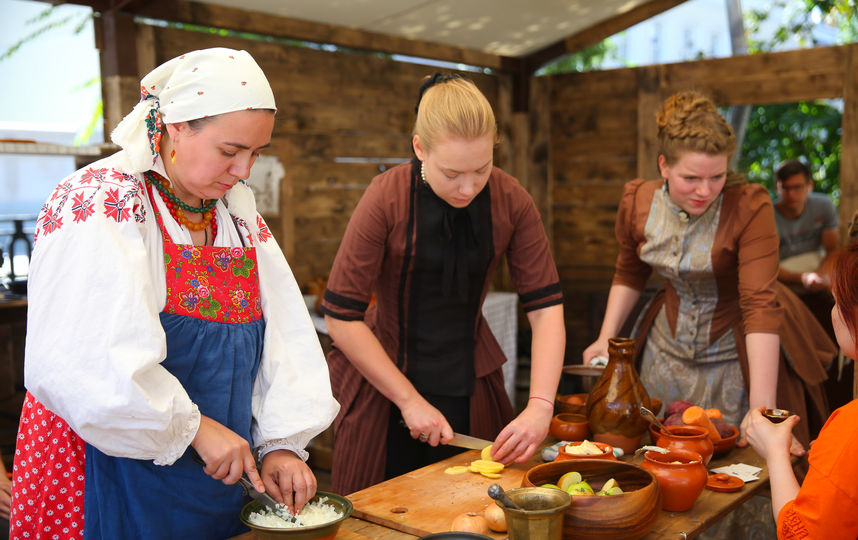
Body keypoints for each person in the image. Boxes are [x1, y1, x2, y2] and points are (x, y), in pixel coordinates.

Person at [9, 48, 339, 539]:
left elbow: (285, 338)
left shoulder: (234, 213)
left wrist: (279, 443)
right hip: (106, 467)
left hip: (207, 474)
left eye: (256, 153)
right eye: (230, 151)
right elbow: (81, 361)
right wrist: (192, 429)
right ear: (175, 128)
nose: (244, 170)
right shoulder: (100, 200)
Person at [321, 73, 565, 494]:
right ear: (419, 148)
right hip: (384, 387)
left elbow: (545, 311)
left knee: (473, 511)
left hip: (471, 384)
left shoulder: (512, 200)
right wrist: (410, 401)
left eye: (482, 169)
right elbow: (342, 317)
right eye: (452, 173)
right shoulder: (386, 197)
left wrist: (541, 406)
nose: (468, 187)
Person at [583, 90, 833, 453]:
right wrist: (604, 340)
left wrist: (760, 410)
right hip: (664, 347)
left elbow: (759, 304)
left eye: (717, 177)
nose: (705, 191)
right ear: (664, 165)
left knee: (731, 453)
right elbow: (630, 271)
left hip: (739, 349)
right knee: (656, 447)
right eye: (690, 178)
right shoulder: (638, 201)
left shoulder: (749, 205)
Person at [746, 242, 858, 539]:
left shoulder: (851, 430)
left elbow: (803, 534)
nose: (833, 312)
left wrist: (775, 453)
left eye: (836, 300)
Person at [773, 159, 839, 292]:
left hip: (819, 263)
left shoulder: (823, 205)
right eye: (785, 188)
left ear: (809, 185)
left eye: (797, 187)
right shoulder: (766, 215)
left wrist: (819, 275)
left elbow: (832, 250)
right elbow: (767, 265)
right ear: (777, 188)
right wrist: (803, 277)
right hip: (782, 272)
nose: (791, 194)